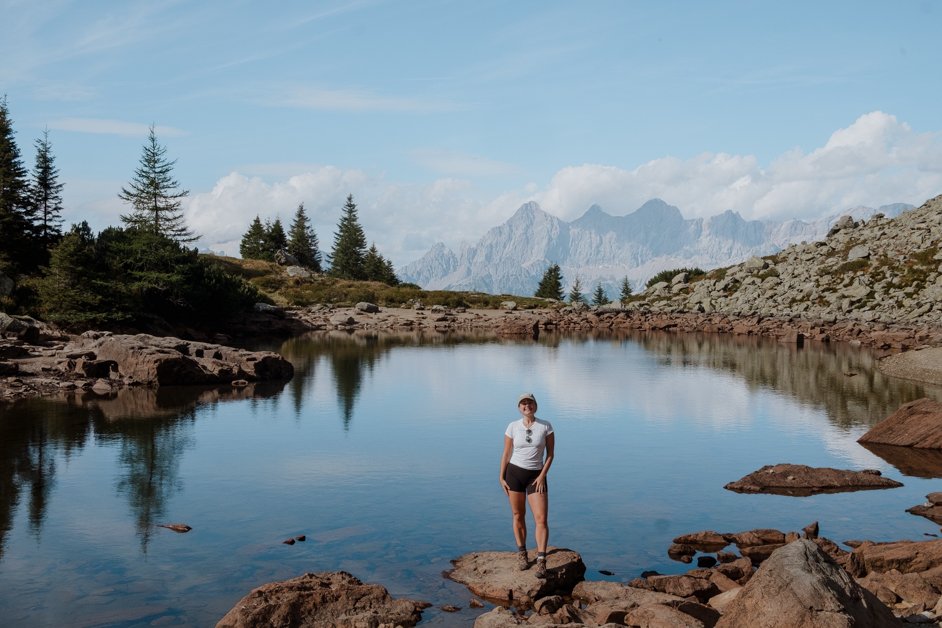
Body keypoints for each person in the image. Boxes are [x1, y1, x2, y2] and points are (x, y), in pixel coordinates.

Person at [500, 392, 555, 578]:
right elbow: (506, 453)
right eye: (523, 403)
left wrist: (542, 476)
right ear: (519, 407)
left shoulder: (545, 426)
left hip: (536, 476)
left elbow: (550, 455)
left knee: (541, 519)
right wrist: (501, 477)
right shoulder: (512, 426)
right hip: (514, 474)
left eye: (530, 403)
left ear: (535, 405)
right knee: (518, 515)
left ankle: (541, 560)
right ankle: (522, 554)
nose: (527, 406)